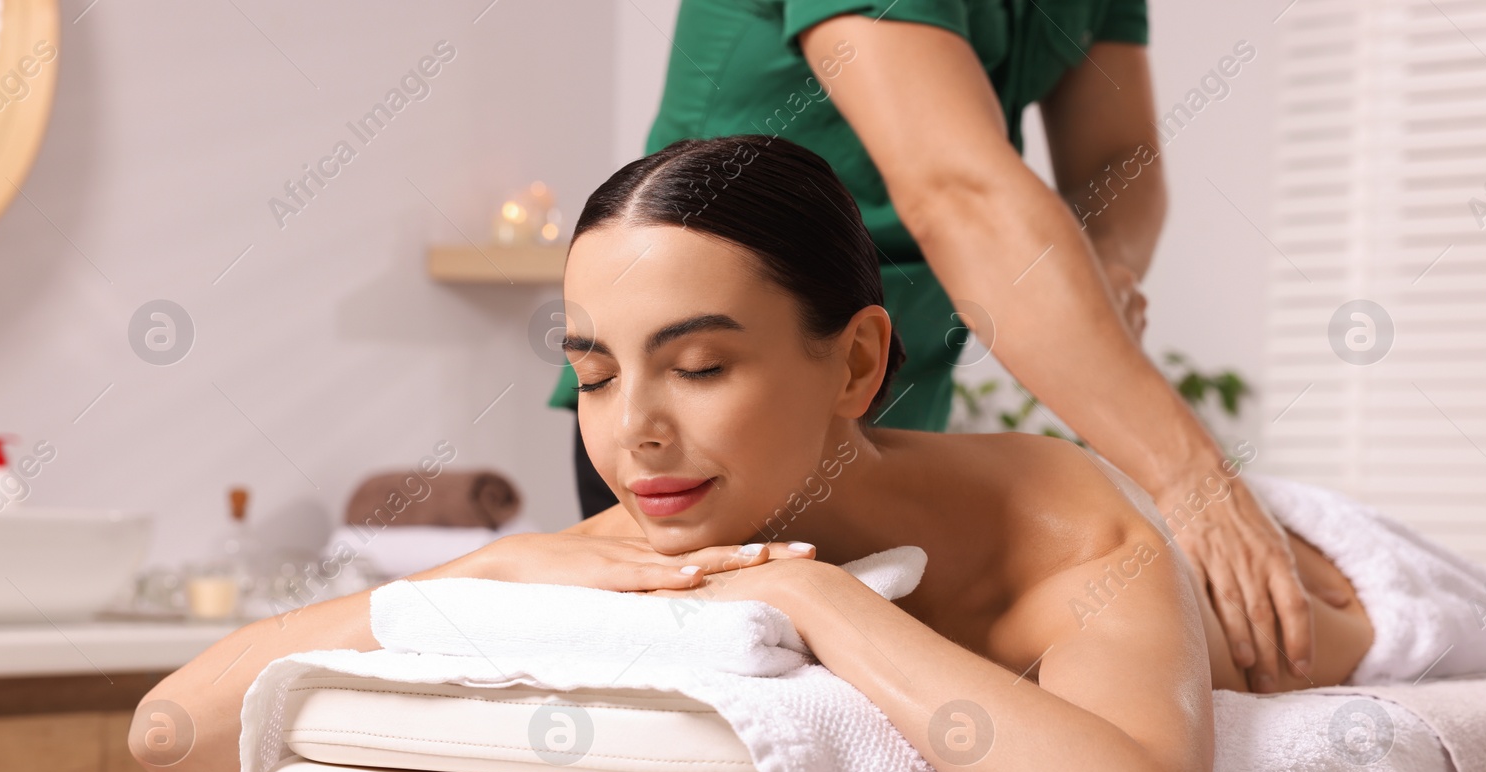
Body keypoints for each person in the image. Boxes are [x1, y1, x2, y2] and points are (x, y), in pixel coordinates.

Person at [134, 135, 1392, 772]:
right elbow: (171, 733)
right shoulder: (659, 517)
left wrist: (828, 604)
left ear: (855, 360)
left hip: (1345, 597)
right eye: (595, 373)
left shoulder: (1080, 532)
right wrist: (476, 569)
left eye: (699, 364)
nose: (637, 432)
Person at [557, 0, 1337, 706]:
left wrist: (1110, 264)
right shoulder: (665, 425)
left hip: (890, 396)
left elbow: (1117, 159)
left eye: (700, 366)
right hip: (713, 459)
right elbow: (956, 187)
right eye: (593, 376)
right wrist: (1187, 475)